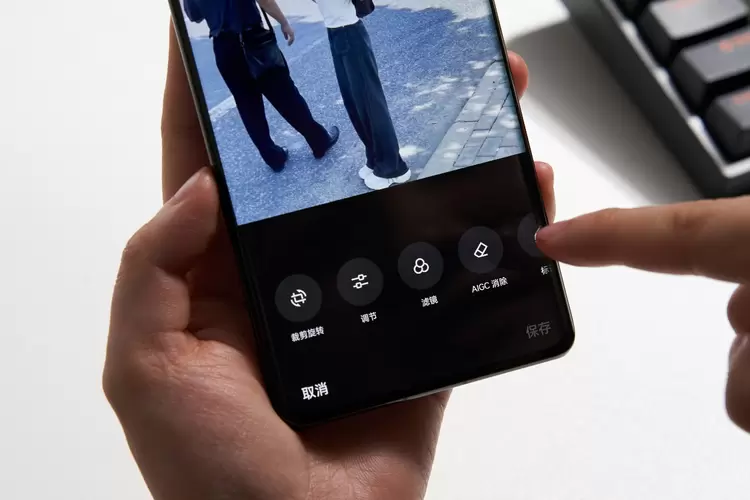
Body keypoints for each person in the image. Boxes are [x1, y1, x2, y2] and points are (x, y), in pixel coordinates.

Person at [103, 28, 750, 499]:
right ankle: (343, 148)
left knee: (272, 100)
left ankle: (323, 154)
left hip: (250, 44)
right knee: (311, 89)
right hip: (291, 37)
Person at [184, 0, 339, 171]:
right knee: (285, 94)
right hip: (252, 39)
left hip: (223, 48)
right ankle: (319, 141)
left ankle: (273, 157)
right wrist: (284, 22)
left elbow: (194, 15)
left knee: (248, 105)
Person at [312, 0, 411, 190]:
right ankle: (375, 157)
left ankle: (393, 168)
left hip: (350, 31)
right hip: (335, 31)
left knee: (371, 103)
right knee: (353, 102)